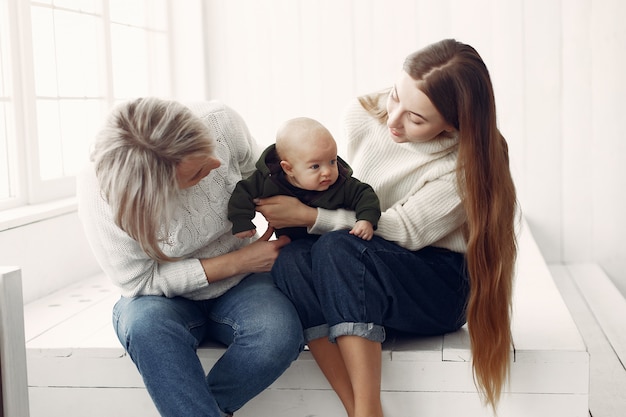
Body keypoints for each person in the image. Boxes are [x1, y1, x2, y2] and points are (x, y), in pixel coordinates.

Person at [256, 39, 518, 417]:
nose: (393, 120)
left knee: (336, 248)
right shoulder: (363, 114)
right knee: (292, 260)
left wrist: (309, 217)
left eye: (416, 118)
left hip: (437, 284)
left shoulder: (468, 163)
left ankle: (366, 411)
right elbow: (347, 195)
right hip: (368, 261)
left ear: (453, 123)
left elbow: (404, 229)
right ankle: (359, 410)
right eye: (396, 97)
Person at [76, 98, 304, 417]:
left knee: (278, 334)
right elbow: (138, 281)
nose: (215, 164)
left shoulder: (220, 121)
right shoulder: (102, 193)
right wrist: (238, 262)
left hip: (244, 285)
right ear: (156, 191)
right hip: (162, 298)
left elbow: (262, 177)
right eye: (197, 173)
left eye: (208, 150)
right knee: (145, 329)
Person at [227, 116, 380, 241]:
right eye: (315, 166)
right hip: (292, 243)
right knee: (286, 260)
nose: (327, 172)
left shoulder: (342, 184)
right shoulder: (269, 179)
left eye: (332, 161)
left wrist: (366, 220)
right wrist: (241, 220)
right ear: (289, 168)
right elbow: (243, 192)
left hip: (334, 240)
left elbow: (365, 195)